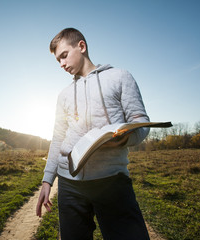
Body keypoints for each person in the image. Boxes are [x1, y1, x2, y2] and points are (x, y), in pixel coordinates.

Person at [36, 28, 150, 240]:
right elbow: (58, 138)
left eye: (64, 56)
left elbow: (141, 122)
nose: (61, 64)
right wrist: (47, 181)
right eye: (58, 61)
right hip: (69, 185)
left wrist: (126, 137)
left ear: (81, 46)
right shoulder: (63, 95)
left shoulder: (120, 77)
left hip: (111, 182)